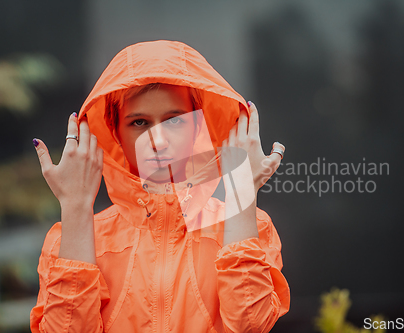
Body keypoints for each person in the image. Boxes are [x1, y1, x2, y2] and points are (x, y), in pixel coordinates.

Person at [30, 40, 290, 333]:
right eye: (139, 122)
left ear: (198, 128)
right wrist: (75, 208)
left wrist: (242, 193)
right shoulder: (69, 238)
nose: (158, 140)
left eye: (175, 120)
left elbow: (250, 326)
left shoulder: (251, 225)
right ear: (114, 133)